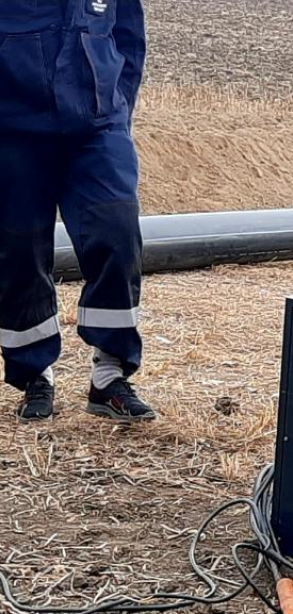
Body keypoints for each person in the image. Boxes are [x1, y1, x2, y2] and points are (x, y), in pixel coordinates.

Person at [0, 0, 155, 422]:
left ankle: (110, 375)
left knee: (117, 232)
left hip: (96, 128)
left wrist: (116, 111)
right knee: (19, 252)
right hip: (12, 131)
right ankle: (34, 376)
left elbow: (129, 41)